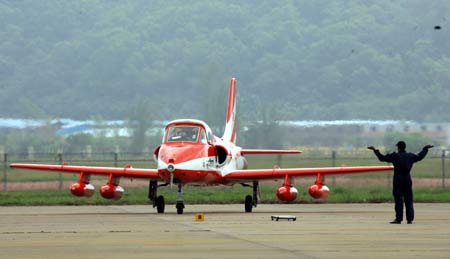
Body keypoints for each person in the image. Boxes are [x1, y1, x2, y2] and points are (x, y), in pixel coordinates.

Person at [367, 141, 434, 224]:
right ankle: (409, 219)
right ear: (405, 147)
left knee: (398, 199)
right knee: (408, 199)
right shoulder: (410, 156)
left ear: (398, 147)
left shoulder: (394, 156)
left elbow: (382, 158)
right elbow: (419, 157)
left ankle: (399, 219)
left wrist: (375, 150)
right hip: (407, 179)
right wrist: (425, 149)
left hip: (398, 179)